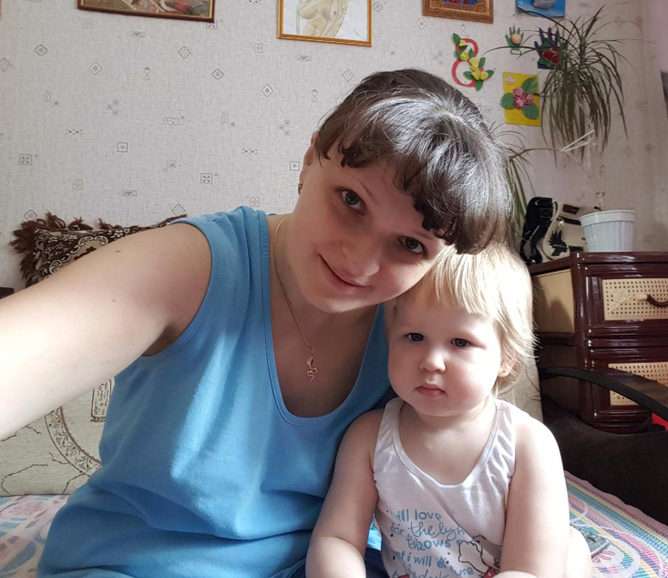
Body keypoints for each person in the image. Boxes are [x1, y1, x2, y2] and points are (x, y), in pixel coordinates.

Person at [0, 69, 514, 577]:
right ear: (309, 160)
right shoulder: (188, 265)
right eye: (351, 200)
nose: (360, 264)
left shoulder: (418, 322)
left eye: (410, 244)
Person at [306, 245, 592, 578]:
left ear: (506, 357)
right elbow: (338, 538)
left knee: (570, 551)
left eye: (460, 342)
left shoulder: (527, 444)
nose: (431, 361)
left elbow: (529, 570)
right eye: (414, 336)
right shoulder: (368, 438)